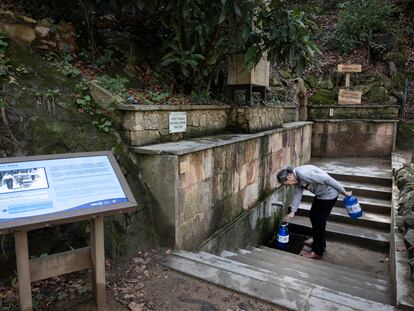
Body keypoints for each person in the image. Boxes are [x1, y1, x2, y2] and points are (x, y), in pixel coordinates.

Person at [277, 165, 352, 260]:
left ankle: (318, 251)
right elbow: (297, 194)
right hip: (321, 194)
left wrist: (343, 192)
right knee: (313, 216)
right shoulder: (297, 178)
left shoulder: (303, 174)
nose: (290, 185)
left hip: (328, 195)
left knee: (319, 221)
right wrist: (292, 212)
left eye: (287, 183)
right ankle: (318, 242)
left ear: (289, 177)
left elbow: (327, 179)